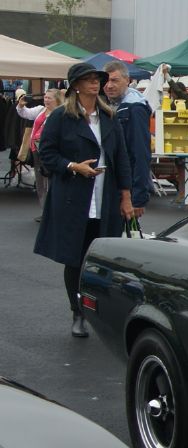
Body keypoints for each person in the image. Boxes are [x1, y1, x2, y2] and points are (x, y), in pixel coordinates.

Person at [33, 63, 135, 339]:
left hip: (105, 196)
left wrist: (126, 197)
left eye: (96, 79)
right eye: (88, 79)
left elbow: (122, 159)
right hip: (73, 198)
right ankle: (78, 312)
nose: (95, 83)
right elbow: (47, 153)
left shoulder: (109, 116)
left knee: (102, 259)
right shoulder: (61, 118)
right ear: (75, 85)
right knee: (76, 259)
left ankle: (98, 310)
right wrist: (72, 166)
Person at [102, 61, 151, 220]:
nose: (109, 85)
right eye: (106, 81)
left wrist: (138, 197)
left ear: (128, 80)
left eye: (114, 80)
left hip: (125, 188)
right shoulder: (111, 105)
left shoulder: (134, 107)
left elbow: (140, 153)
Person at [20, 88, 61, 222]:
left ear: (57, 100)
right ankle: (45, 211)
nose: (46, 100)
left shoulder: (60, 113)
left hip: (50, 151)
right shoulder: (40, 110)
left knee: (50, 181)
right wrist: (21, 105)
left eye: (49, 98)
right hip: (36, 150)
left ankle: (52, 212)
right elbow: (25, 113)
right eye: (45, 97)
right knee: (40, 182)